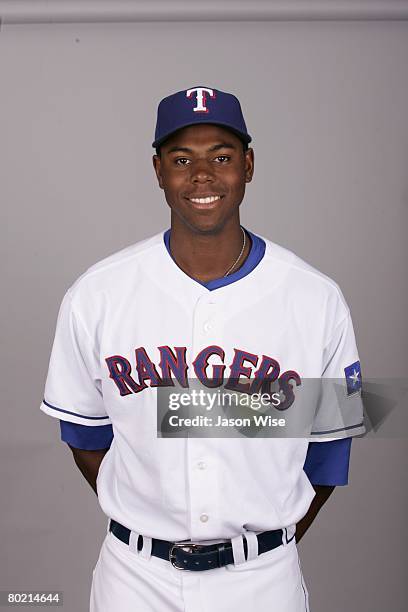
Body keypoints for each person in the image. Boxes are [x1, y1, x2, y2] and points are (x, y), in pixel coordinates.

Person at [40, 86, 365, 611]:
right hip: (135, 579)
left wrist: (259, 549)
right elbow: (83, 433)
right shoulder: (97, 293)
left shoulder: (316, 298)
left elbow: (329, 450)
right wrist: (149, 514)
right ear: (158, 170)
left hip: (263, 582)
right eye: (181, 158)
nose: (202, 175)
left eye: (222, 156)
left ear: (249, 165)